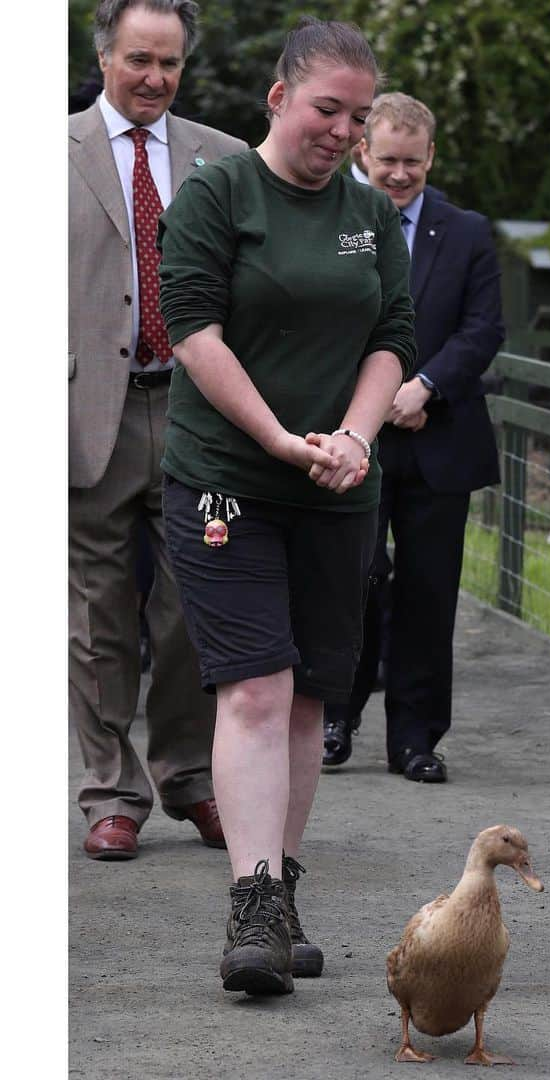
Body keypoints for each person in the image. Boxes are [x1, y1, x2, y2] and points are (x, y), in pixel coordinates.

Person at [156, 17, 415, 996]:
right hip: (230, 475)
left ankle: (285, 884)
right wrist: (276, 437)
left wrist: (355, 436)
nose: (343, 132)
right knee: (255, 687)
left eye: (357, 116)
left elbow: (392, 333)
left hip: (338, 487)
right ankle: (252, 904)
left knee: (311, 690)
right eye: (325, 109)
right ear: (277, 99)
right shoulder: (219, 193)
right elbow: (192, 328)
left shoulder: (368, 212)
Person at [69, 0, 246, 861]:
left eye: (170, 63)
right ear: (103, 56)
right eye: (140, 59)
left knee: (193, 605)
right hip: (87, 410)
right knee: (99, 615)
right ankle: (109, 791)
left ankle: (191, 776)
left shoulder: (226, 158)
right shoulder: (43, 154)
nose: (155, 79)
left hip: (196, 412)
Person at [321, 92, 504, 782]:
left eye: (412, 163)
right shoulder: (332, 218)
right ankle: (336, 715)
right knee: (350, 581)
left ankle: (416, 737)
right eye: (387, 160)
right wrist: (369, 403)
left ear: (431, 156)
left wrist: (424, 387)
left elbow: (484, 328)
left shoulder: (466, 231)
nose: (399, 175)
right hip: (350, 435)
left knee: (430, 591)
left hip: (438, 437)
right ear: (363, 152)